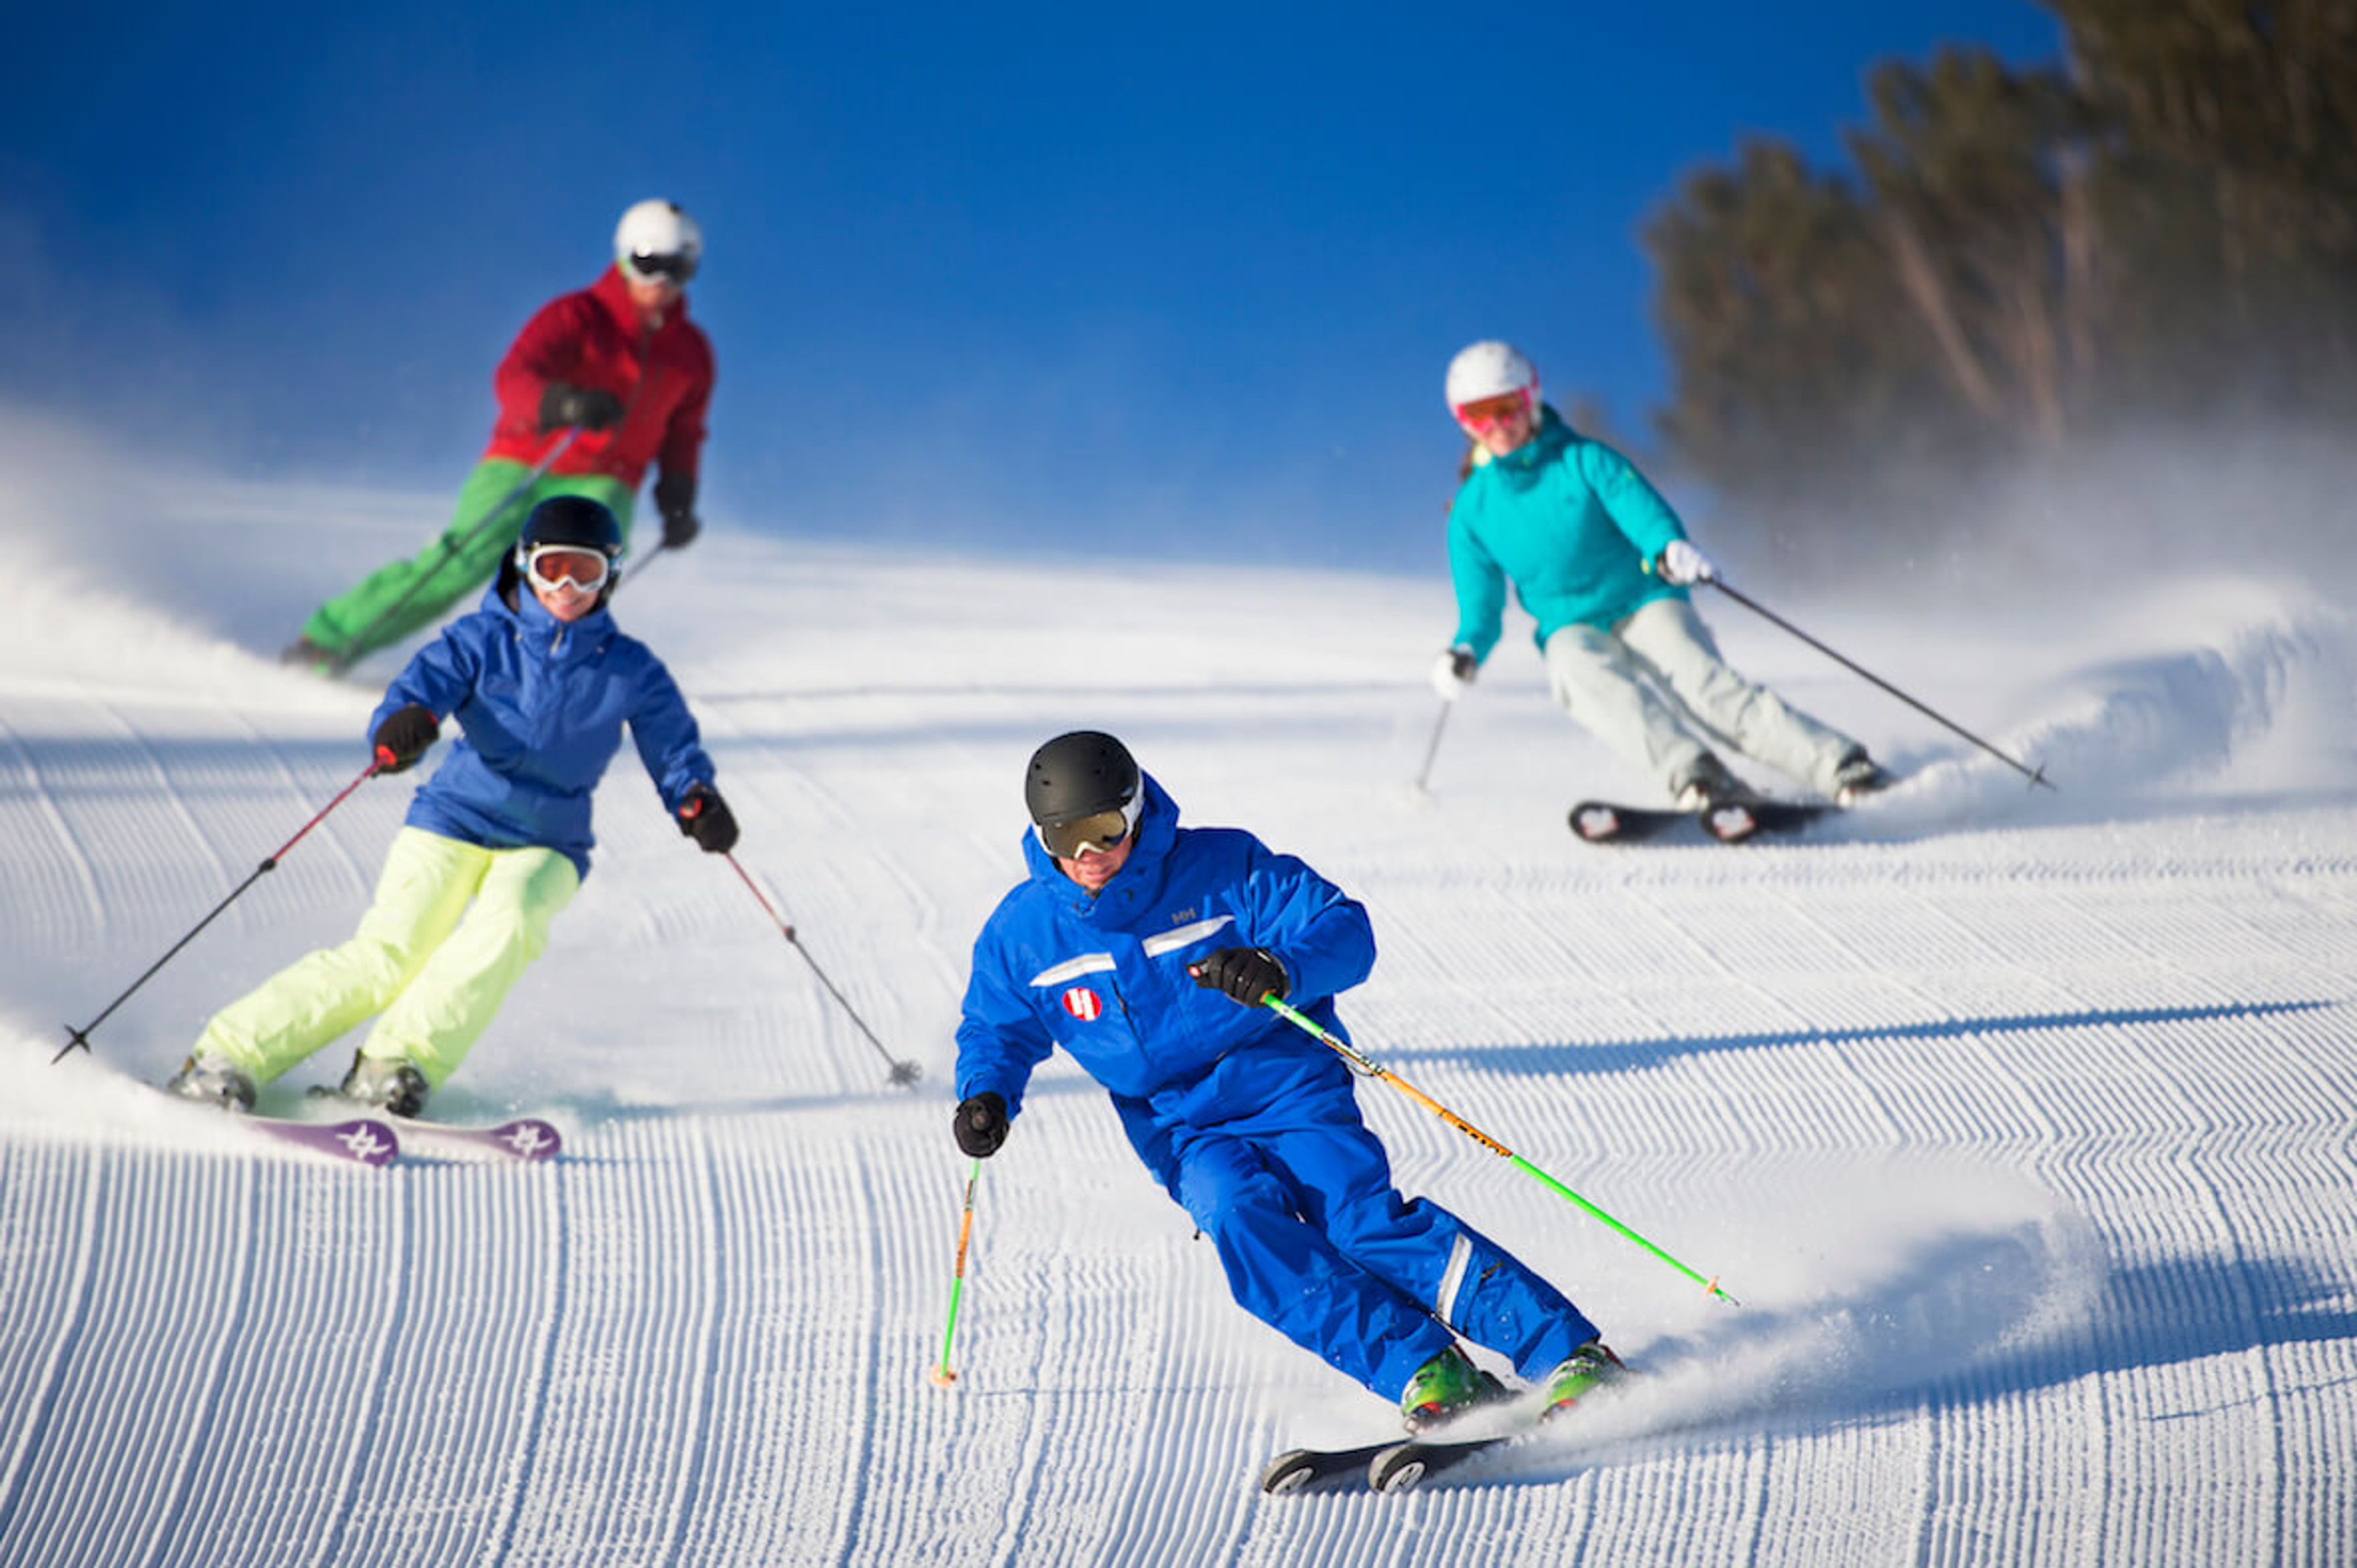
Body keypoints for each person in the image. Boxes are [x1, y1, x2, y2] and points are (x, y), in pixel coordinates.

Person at [952, 730, 1626, 1431]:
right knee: (1243, 1226)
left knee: (1359, 1224)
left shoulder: (1222, 866)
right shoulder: (1022, 932)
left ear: (1137, 808)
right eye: (1066, 837)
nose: (1089, 856)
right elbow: (995, 1027)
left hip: (1283, 1082)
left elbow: (1342, 930)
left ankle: (1565, 1352)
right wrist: (986, 1093)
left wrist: (1278, 968)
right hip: (1177, 1127)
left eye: (1104, 830)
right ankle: (1426, 1369)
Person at [170, 496, 740, 1117]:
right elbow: (420, 690)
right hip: (452, 818)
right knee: (392, 953)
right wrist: (403, 726)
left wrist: (695, 799)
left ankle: (395, 1064)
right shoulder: (480, 640)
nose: (568, 587)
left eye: (586, 571)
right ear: (525, 565)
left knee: (512, 922)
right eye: (552, 569)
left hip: (548, 840)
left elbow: (672, 747)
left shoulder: (630, 670)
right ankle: (228, 1056)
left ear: (611, 575)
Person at [1430, 339, 1893, 810]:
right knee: (1575, 673)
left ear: (1530, 399)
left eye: (1506, 408)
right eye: (1479, 415)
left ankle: (1842, 768)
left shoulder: (1584, 460)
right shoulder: (1471, 512)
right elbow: (1481, 608)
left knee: (1705, 689)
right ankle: (1698, 776)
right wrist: (1466, 649)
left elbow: (1641, 513)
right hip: (1571, 625)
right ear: (1462, 422)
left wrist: (1668, 548)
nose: (1497, 426)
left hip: (1643, 599)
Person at [282, 199, 717, 671]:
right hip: (528, 460)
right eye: (650, 266)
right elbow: (514, 377)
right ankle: (328, 642)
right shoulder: (577, 316)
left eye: (679, 269)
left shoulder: (691, 354)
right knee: (460, 564)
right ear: (623, 258)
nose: (663, 284)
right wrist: (564, 403)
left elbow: (684, 434)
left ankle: (532, 678)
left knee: (577, 576)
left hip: (607, 479)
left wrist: (678, 498)